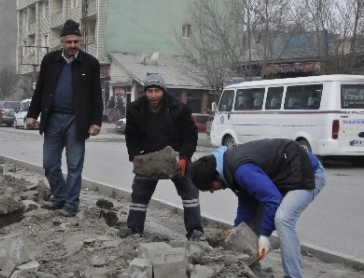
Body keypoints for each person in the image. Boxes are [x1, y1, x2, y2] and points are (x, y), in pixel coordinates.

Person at [188, 138, 326, 278]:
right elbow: (247, 199)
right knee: (249, 226)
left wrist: (265, 236)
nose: (212, 191)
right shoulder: (226, 166)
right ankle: (253, 272)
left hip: (307, 173)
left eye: (210, 187)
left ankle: (293, 276)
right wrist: (238, 228)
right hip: (285, 178)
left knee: (283, 219)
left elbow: (273, 200)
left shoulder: (240, 169)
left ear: (216, 177)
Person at [26, 19, 103, 217]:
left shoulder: (90, 63)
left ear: (81, 41)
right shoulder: (50, 61)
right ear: (62, 42)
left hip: (77, 121)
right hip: (52, 119)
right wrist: (32, 114)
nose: (72, 46)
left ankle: (71, 204)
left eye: (76, 42)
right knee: (50, 163)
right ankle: (60, 197)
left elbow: (96, 95)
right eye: (68, 42)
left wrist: (96, 122)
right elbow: (40, 89)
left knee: (75, 165)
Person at [119, 73, 204, 241]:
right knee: (139, 194)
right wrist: (134, 157)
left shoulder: (180, 108)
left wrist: (184, 158)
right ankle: (134, 230)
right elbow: (132, 135)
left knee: (190, 191)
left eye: (156, 91)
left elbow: (190, 136)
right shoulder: (135, 108)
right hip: (149, 156)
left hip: (176, 155)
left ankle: (195, 231)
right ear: (145, 92)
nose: (153, 96)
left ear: (163, 91)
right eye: (149, 91)